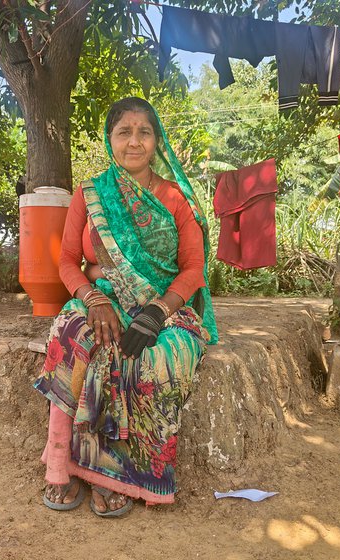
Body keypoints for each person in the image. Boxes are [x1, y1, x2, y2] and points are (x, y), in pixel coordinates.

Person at [33, 97, 218, 517]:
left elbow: (193, 269)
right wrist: (94, 297)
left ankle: (121, 475)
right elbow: (66, 262)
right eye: (124, 132)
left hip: (165, 307)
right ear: (110, 139)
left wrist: (157, 312)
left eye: (144, 132)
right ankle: (64, 464)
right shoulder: (91, 192)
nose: (134, 142)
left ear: (157, 141)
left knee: (153, 360)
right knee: (73, 334)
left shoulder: (177, 199)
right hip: (102, 298)